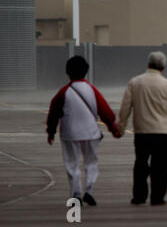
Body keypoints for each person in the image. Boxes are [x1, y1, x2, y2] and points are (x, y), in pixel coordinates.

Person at [46, 55, 120, 206]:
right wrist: (113, 128)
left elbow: (54, 112)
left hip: (70, 133)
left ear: (68, 72)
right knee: (91, 162)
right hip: (90, 132)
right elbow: (105, 111)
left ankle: (76, 193)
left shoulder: (64, 92)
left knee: (72, 164)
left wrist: (51, 131)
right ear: (86, 71)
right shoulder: (92, 90)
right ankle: (90, 190)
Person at [117, 51, 167, 206]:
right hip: (162, 132)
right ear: (163, 67)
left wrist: (121, 126)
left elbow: (125, 107)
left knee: (140, 164)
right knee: (161, 167)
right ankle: (157, 197)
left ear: (148, 64)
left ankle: (139, 196)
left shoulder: (135, 82)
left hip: (142, 132)